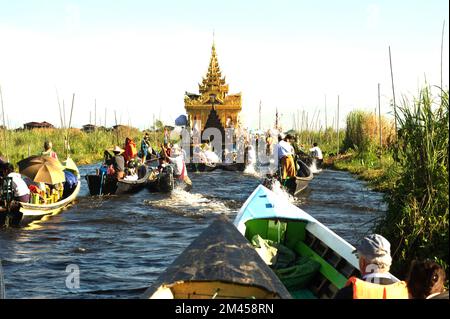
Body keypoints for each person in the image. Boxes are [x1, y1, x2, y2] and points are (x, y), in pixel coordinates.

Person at [335, 234, 409, 299]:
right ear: (389, 262)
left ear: (362, 262)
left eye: (358, 257)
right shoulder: (403, 293)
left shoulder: (349, 293)